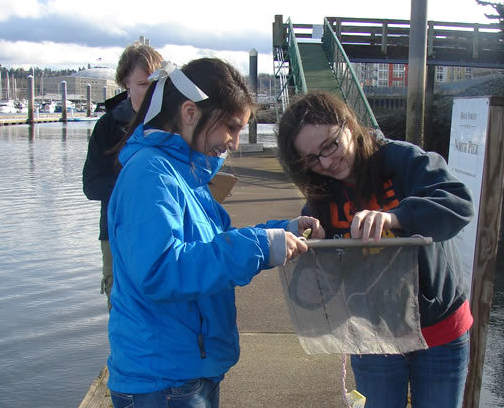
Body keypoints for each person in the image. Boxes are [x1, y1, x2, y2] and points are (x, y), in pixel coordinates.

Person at [105, 58, 323, 408]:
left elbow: (212, 244)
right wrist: (260, 246)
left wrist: (281, 231)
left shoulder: (184, 174)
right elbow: (160, 271)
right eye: (231, 127)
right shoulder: (150, 175)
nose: (235, 143)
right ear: (190, 112)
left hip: (185, 374)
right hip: (161, 383)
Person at [275, 91, 475, 408]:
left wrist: (397, 217)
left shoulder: (404, 160)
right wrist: (317, 254)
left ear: (349, 126)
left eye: (330, 144)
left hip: (439, 328)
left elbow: (459, 203)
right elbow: (313, 292)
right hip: (372, 336)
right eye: (312, 159)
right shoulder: (320, 199)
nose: (326, 162)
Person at [82, 44, 163, 309]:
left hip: (164, 229)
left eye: (157, 83)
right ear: (125, 83)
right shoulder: (108, 125)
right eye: (143, 84)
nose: (151, 91)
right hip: (118, 231)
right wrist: (136, 184)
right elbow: (91, 186)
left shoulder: (175, 124)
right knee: (121, 305)